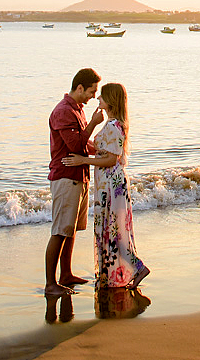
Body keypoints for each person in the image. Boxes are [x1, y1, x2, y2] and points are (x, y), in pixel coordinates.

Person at [62, 81, 149, 290]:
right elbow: (104, 151)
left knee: (113, 229)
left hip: (111, 182)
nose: (97, 99)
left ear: (109, 101)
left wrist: (83, 160)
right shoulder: (113, 123)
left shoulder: (113, 126)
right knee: (112, 229)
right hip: (108, 182)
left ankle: (137, 267)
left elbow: (111, 159)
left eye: (101, 96)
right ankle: (132, 268)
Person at [45, 67, 103, 296]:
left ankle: (66, 275)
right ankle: (51, 284)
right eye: (91, 91)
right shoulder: (63, 111)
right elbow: (75, 146)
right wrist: (94, 124)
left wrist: (100, 151)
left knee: (71, 230)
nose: (92, 96)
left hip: (80, 176)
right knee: (60, 231)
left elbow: (84, 144)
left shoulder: (77, 109)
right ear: (79, 87)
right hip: (65, 178)